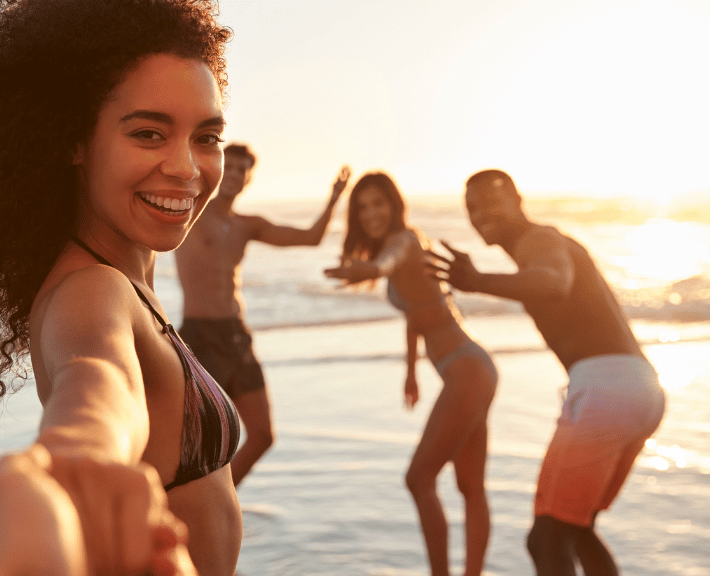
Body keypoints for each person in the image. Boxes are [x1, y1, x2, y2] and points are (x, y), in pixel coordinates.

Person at [0, 0, 236, 574]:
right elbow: (95, 377)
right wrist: (72, 462)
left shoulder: (124, 274)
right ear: (73, 141)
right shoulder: (91, 288)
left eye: (206, 136)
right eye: (149, 133)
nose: (187, 168)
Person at [428, 169, 666, 576]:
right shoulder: (541, 244)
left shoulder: (538, 239)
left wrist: (479, 280)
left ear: (518, 200)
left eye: (491, 201)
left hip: (604, 390)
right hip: (639, 389)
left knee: (546, 540)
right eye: (472, 207)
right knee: (577, 528)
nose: (481, 213)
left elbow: (555, 282)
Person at [324, 172, 497, 576]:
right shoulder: (400, 245)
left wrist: (371, 270)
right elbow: (416, 312)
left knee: (419, 479)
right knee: (470, 487)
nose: (371, 213)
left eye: (378, 203)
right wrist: (411, 371)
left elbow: (388, 265)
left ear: (394, 204)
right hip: (470, 369)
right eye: (363, 207)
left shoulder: (405, 241)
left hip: (467, 371)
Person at [175, 143, 350, 486]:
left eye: (244, 170)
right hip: (199, 336)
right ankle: (194, 507)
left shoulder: (246, 225)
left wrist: (333, 200)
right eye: (232, 166)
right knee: (197, 443)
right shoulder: (190, 209)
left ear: (248, 179)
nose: (236, 174)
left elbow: (311, 238)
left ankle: (222, 498)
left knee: (262, 435)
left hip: (236, 334)